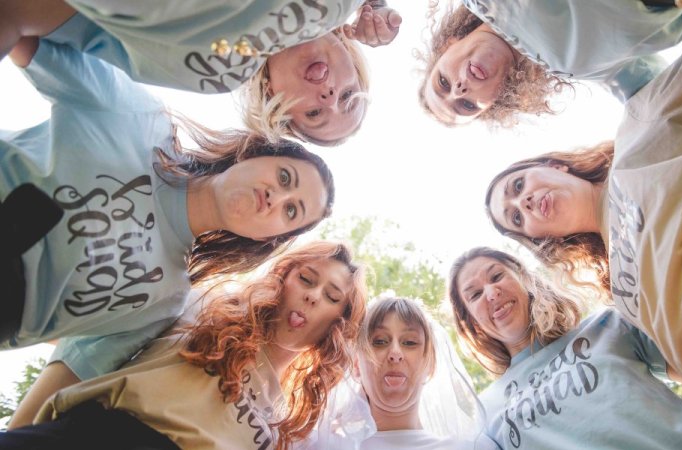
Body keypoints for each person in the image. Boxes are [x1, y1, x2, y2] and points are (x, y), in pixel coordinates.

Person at [1, 36, 336, 427]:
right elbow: (27, 32)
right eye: (284, 176)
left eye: (291, 210)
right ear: (256, 153)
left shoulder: (164, 301)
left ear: (267, 239)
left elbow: (70, 374)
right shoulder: (138, 118)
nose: (276, 197)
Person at [483, 0, 682, 413]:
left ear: (553, 165)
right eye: (517, 217)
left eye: (519, 186)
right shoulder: (622, 306)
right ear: (541, 239)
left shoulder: (642, 125)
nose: (526, 202)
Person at [0, 240, 368, 450]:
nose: (312, 296)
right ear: (282, 277)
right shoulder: (203, 306)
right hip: (99, 435)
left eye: (331, 295)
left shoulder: (287, 421)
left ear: (339, 321)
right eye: (306, 279)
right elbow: (86, 350)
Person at [448, 246, 682, 449]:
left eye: (497, 276)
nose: (490, 292)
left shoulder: (610, 326)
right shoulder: (485, 413)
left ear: (524, 278)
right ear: (470, 322)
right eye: (474, 294)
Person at [0, 0, 403, 146]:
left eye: (314, 114)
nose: (330, 98)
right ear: (353, 58)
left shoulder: (218, 69)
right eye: (348, 96)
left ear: (272, 98)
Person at [418, 0, 682, 127]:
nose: (459, 90)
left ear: (447, 46)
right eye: (467, 105)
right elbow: (671, 103)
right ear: (497, 102)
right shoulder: (585, 66)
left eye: (442, 82)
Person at [303, 296, 487, 450]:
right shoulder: (320, 446)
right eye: (380, 341)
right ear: (357, 366)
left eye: (410, 342)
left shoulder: (470, 447)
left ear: (431, 364)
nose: (395, 354)